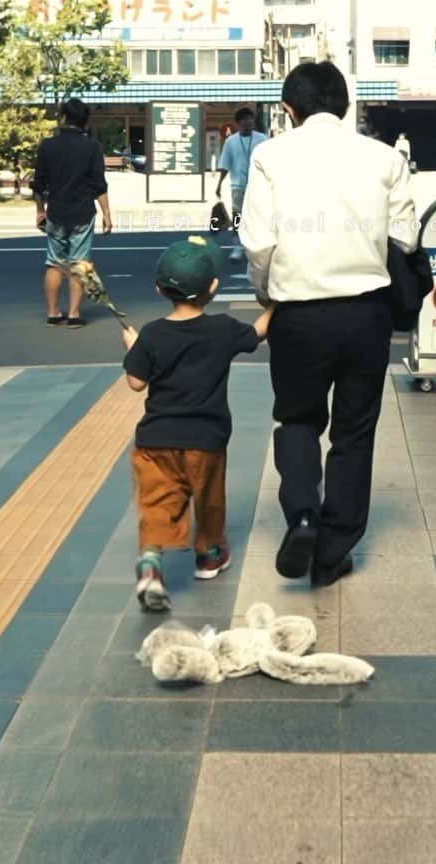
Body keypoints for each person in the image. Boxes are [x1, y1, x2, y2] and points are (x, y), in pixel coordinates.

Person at [239, 61, 419, 588]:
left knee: (297, 420)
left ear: (288, 111)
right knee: (354, 433)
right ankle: (333, 552)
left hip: (298, 312)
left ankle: (300, 517)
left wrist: (266, 293)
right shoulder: (385, 157)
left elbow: (258, 242)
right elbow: (404, 239)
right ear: (344, 107)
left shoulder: (270, 155)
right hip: (367, 313)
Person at [121, 237, 274, 612]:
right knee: (209, 499)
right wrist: (277, 304)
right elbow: (257, 333)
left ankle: (151, 562)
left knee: (156, 502)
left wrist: (133, 346)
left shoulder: (153, 334)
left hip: (156, 440)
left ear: (160, 289)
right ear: (213, 288)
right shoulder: (222, 328)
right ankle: (209, 555)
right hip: (206, 439)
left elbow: (136, 382)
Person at [33, 97, 112, 327]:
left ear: (64, 117)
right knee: (80, 263)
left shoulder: (47, 146)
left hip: (56, 212)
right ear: (85, 122)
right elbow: (99, 184)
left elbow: (39, 184)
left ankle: (53, 313)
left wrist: (40, 210)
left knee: (54, 263)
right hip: (83, 212)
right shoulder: (93, 147)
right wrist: (107, 213)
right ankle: (75, 315)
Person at [215, 107, 268, 261]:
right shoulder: (231, 141)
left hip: (259, 185)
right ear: (238, 123)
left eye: (251, 119)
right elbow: (225, 164)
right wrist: (219, 184)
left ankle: (257, 247)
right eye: (245, 119)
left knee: (258, 217)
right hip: (237, 186)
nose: (249, 122)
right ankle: (237, 247)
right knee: (237, 217)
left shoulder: (263, 139)